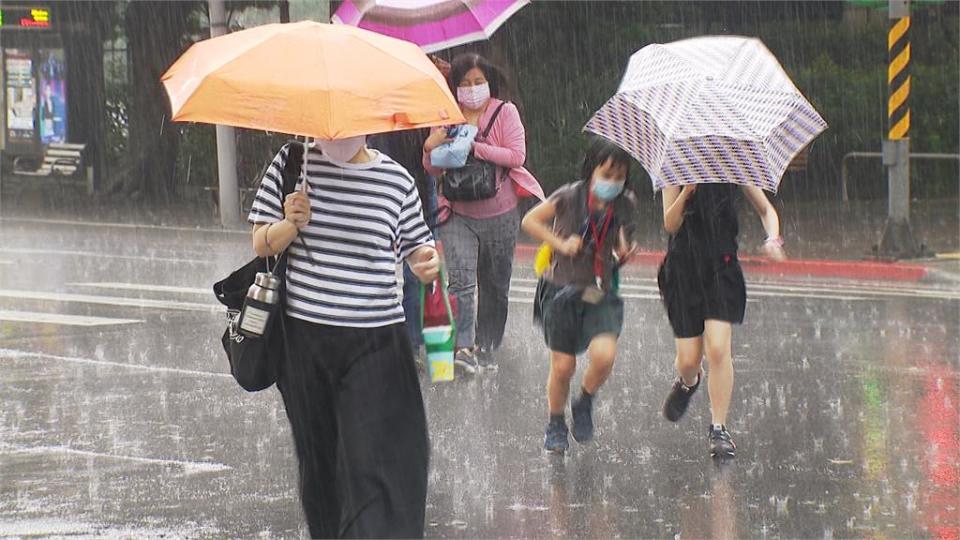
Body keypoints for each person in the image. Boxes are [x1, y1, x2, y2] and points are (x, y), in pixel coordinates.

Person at [248, 136, 439, 537]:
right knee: (319, 463)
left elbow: (418, 249)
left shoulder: (396, 180)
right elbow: (260, 243)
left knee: (374, 462)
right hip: (304, 342)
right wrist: (290, 224)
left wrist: (427, 263)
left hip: (376, 342)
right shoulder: (293, 163)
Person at [422, 52, 540, 373]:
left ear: (489, 82)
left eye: (478, 82)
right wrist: (430, 146)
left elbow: (516, 155)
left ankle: (486, 346)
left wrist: (475, 147)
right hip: (456, 212)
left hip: (500, 215)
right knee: (460, 282)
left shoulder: (505, 112)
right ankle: (462, 349)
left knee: (496, 285)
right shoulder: (446, 117)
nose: (472, 89)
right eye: (464, 84)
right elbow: (431, 169)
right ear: (454, 88)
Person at [521, 139, 639, 454]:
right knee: (562, 366)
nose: (613, 183)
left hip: (599, 290)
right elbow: (530, 221)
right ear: (592, 170)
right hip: (561, 289)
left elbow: (620, 241)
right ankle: (556, 421)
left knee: (604, 356)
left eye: (620, 177)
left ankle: (584, 400)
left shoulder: (625, 203)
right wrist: (559, 243)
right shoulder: (569, 196)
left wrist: (623, 251)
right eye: (607, 174)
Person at [657, 181, 786, 459]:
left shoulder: (731, 163)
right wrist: (687, 191)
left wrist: (773, 238)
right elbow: (670, 222)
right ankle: (689, 382)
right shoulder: (676, 167)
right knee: (688, 361)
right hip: (683, 269)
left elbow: (766, 210)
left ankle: (719, 428)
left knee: (718, 348)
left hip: (721, 267)